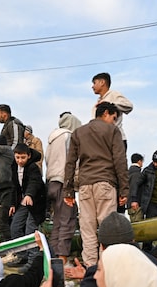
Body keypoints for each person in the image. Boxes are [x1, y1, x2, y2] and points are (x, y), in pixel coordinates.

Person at [63, 101, 129, 267]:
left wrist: (68, 191)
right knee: (108, 230)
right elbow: (120, 161)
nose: (114, 122)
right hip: (106, 183)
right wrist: (124, 190)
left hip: (85, 186)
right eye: (113, 118)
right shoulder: (113, 131)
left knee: (87, 230)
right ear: (106, 113)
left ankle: (90, 269)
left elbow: (70, 163)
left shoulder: (78, 133)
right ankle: (107, 269)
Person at [46, 112, 81, 260]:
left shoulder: (52, 138)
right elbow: (71, 160)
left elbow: (47, 159)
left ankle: (53, 256)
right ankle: (62, 258)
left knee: (57, 221)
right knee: (68, 220)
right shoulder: (68, 136)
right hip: (64, 182)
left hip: (51, 181)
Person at [7, 143, 45, 266]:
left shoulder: (33, 167)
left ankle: (32, 262)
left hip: (36, 201)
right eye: (17, 157)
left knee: (30, 229)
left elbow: (35, 182)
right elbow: (14, 187)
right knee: (15, 226)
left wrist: (29, 194)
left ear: (28, 156)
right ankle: (21, 256)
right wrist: (12, 204)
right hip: (23, 202)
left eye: (23, 157)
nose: (20, 160)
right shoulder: (13, 167)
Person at [91, 72, 133, 147]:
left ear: (102, 82)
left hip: (116, 138)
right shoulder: (98, 102)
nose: (92, 86)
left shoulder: (113, 94)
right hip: (102, 139)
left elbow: (129, 105)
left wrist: (110, 104)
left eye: (94, 83)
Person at [127, 153, 144, 223]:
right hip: (136, 204)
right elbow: (134, 186)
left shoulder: (129, 172)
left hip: (129, 203)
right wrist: (134, 200)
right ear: (139, 161)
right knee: (138, 226)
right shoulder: (137, 173)